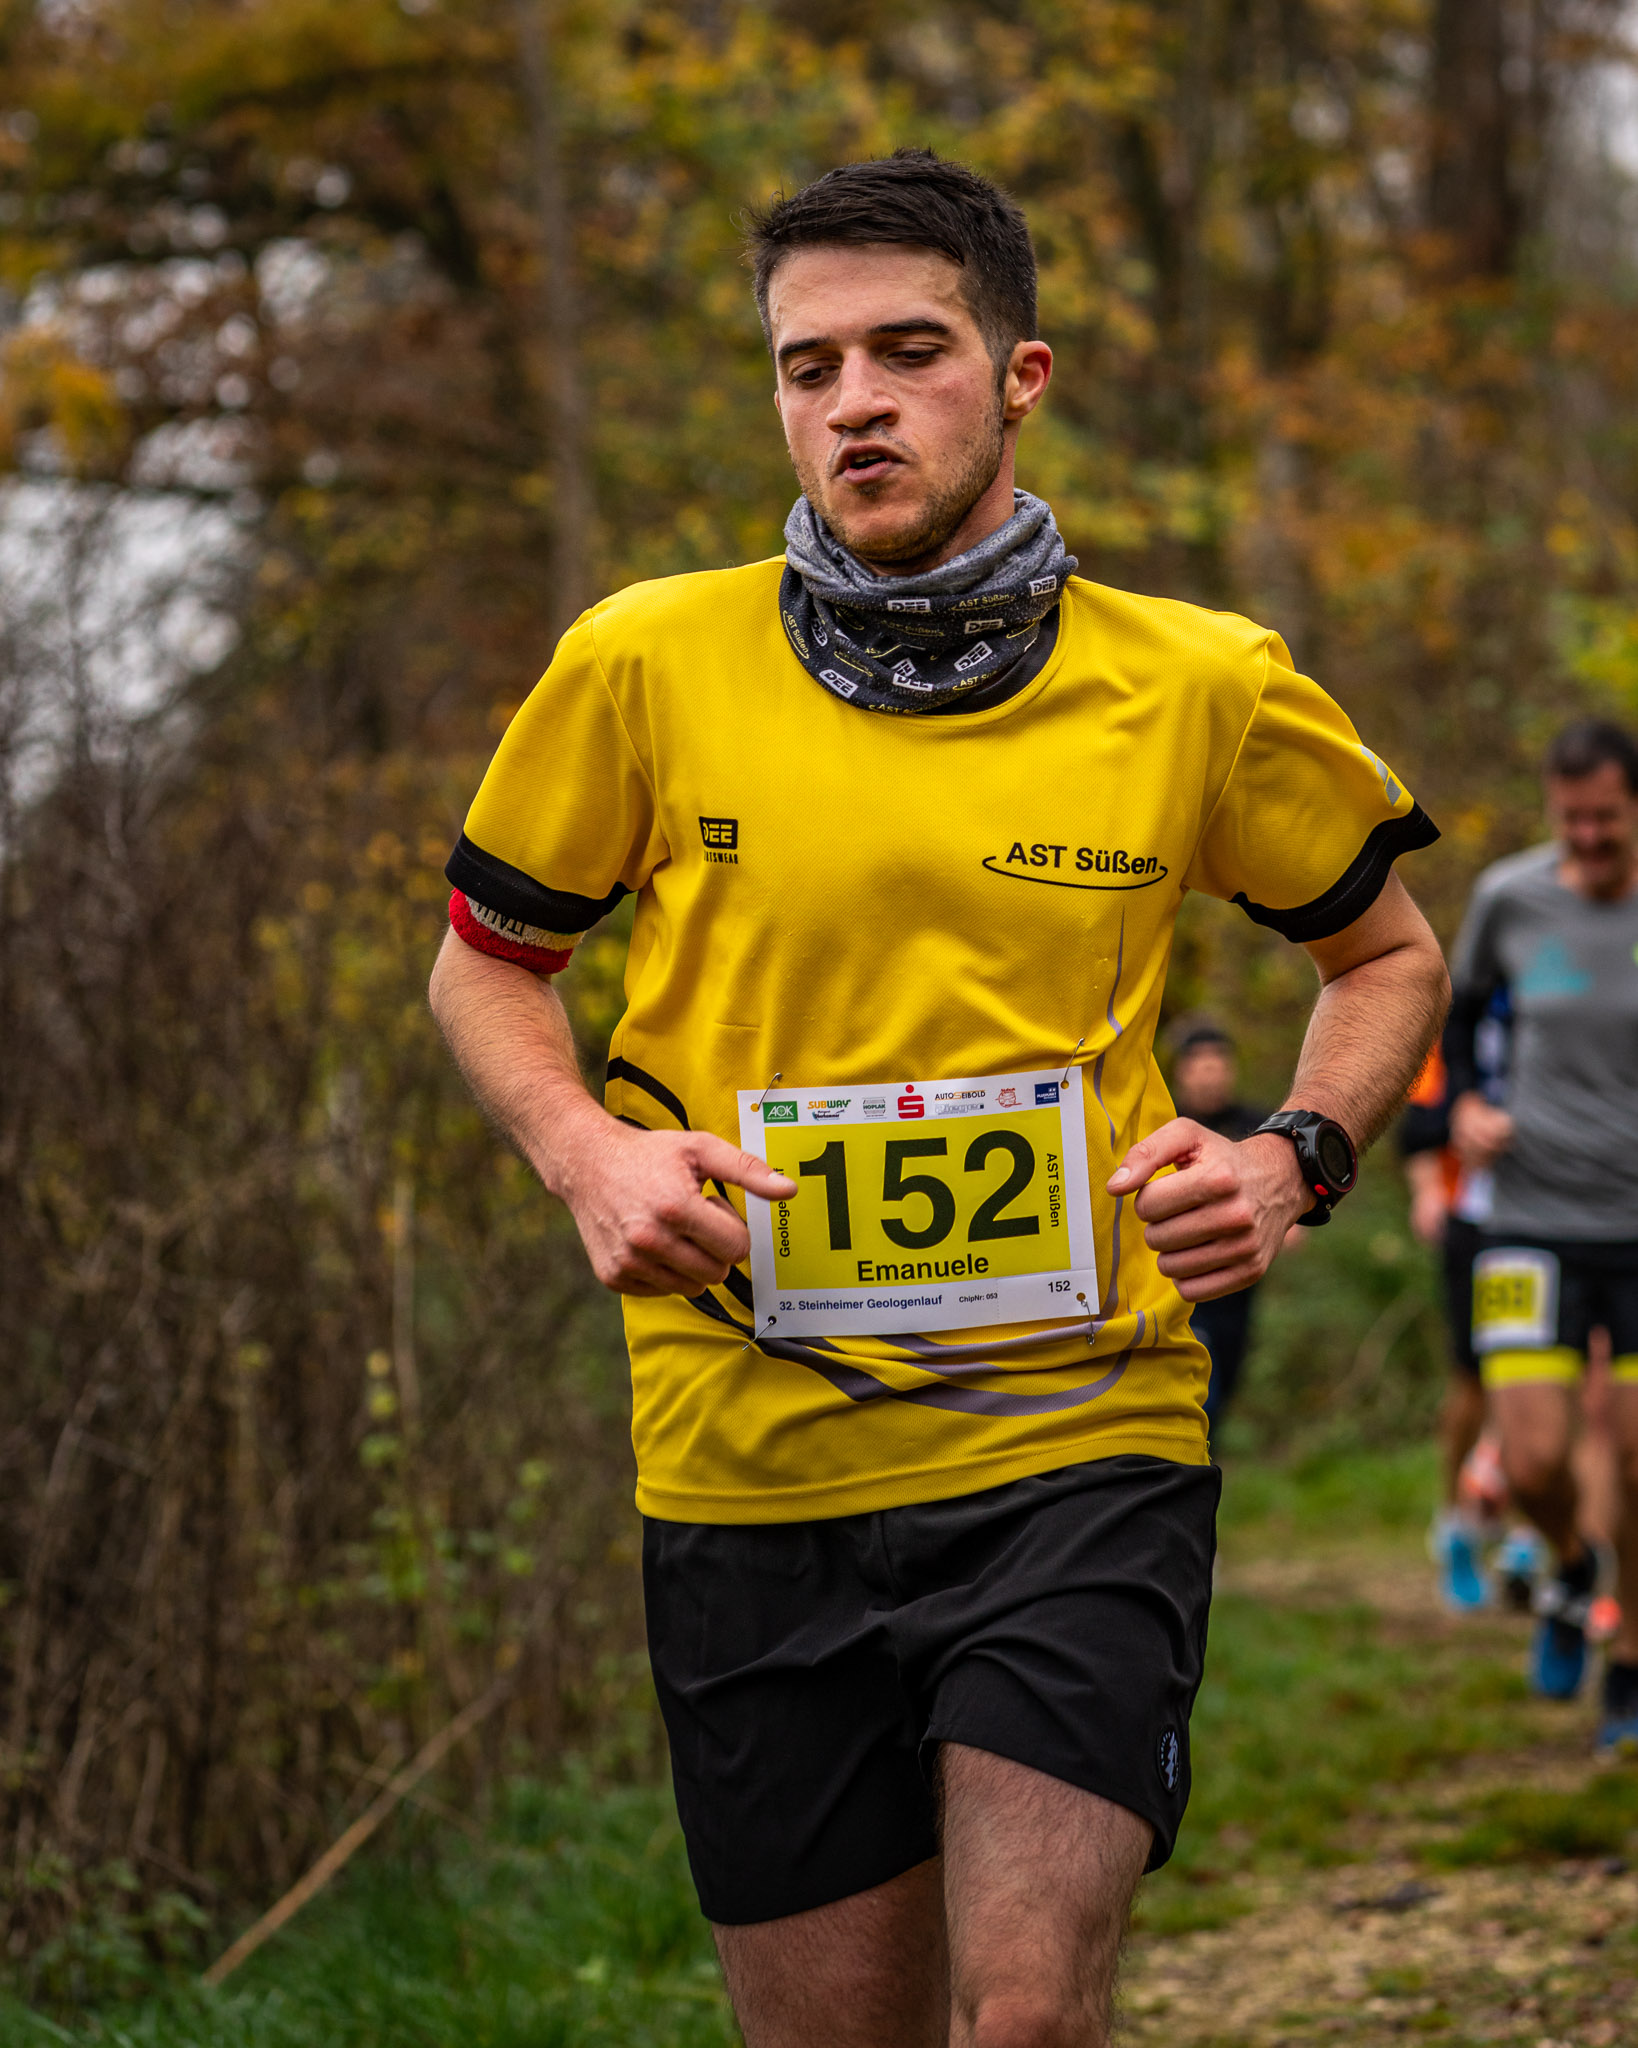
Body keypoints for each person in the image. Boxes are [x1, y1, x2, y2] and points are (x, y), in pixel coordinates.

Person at [428, 149, 1448, 2048]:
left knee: (1026, 2016)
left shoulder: (1199, 684)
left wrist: (1290, 1156)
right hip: (748, 1457)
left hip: (1081, 1435)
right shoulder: (644, 661)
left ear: (1018, 374)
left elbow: (1383, 955)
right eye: (807, 367)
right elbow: (485, 961)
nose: (855, 403)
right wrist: (586, 1154)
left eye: (908, 352)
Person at [1447, 716, 1638, 1748]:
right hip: (1527, 1214)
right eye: (1572, 819)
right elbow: (1455, 1013)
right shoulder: (1510, 899)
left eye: (1606, 817)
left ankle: (1630, 1661)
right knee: (1529, 1462)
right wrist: (1467, 1103)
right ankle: (1571, 1564)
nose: (1590, 837)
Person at [1166, 1023, 1267, 1432]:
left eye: (1219, 1065)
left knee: (1228, 1377)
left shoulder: (1256, 1126)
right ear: (1182, 1072)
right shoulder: (1164, 1123)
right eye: (1200, 1066)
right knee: (1202, 1388)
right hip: (1180, 1280)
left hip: (1238, 1285)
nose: (1210, 1075)